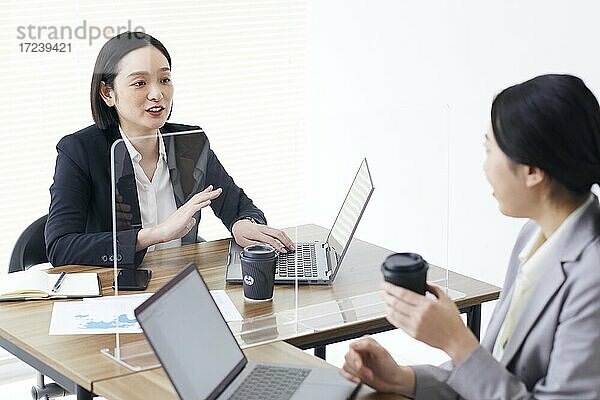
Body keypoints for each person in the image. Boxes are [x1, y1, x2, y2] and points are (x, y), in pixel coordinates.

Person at [341, 74, 600, 399]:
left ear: (533, 172)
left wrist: (456, 341)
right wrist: (402, 379)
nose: (485, 167)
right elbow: (494, 375)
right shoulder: (533, 234)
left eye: (490, 150)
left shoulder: (592, 276)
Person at [45, 31, 294, 268]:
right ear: (107, 93)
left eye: (164, 80)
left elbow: (239, 206)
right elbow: (60, 247)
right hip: (117, 289)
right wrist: (153, 235)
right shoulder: (79, 151)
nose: (157, 94)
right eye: (140, 83)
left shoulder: (190, 142)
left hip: (181, 283)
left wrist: (242, 224)